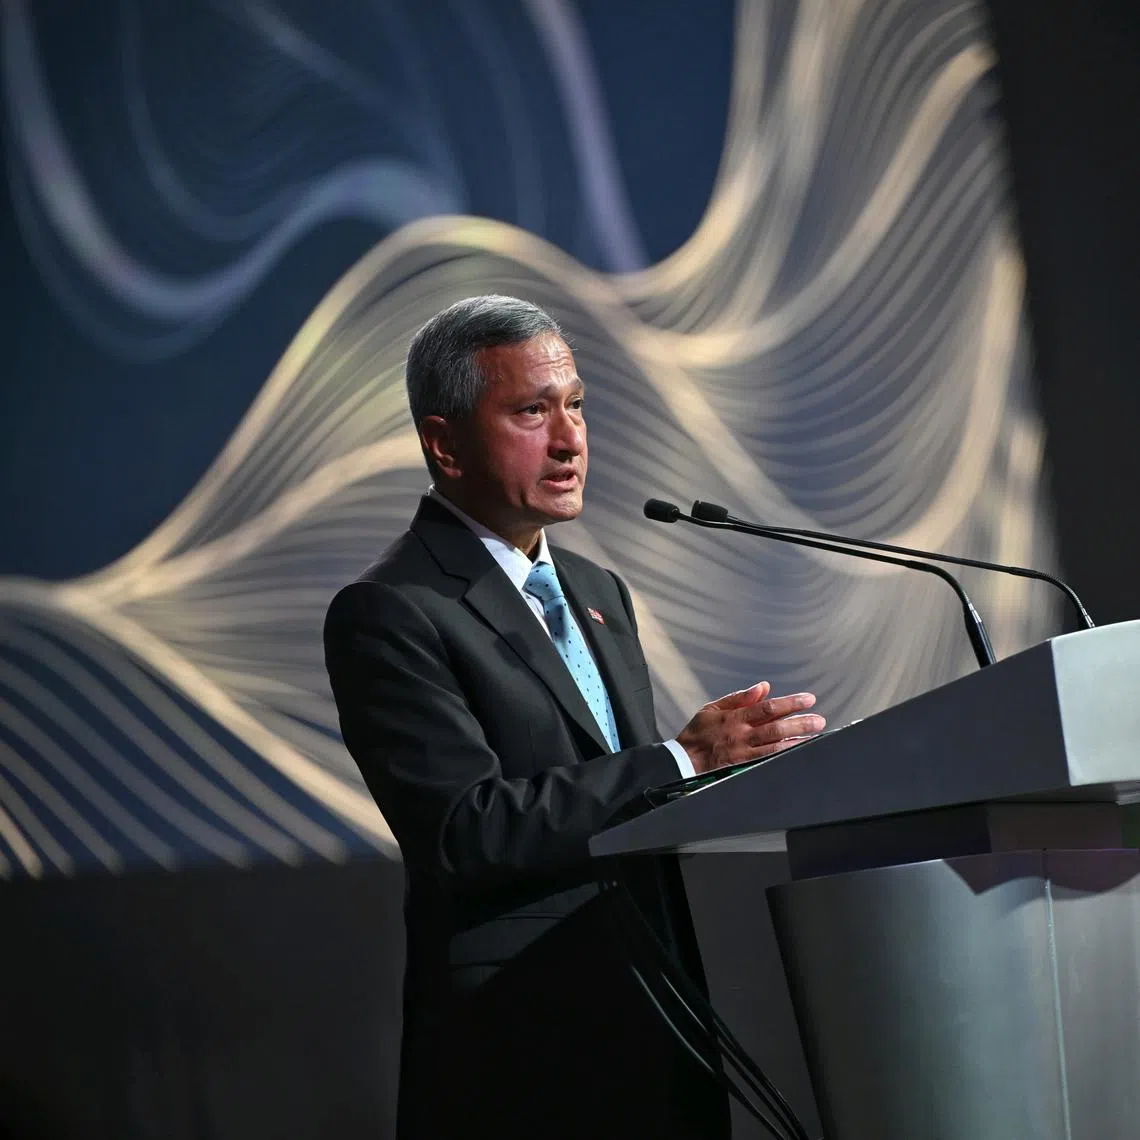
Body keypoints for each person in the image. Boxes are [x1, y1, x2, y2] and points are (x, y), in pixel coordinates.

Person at [323, 295, 824, 1139]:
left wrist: (738, 778)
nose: (570, 439)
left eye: (577, 406)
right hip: (522, 1062)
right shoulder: (391, 610)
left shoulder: (597, 594)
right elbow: (463, 832)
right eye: (530, 411)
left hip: (661, 1037)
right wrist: (678, 762)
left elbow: (627, 804)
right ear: (444, 444)